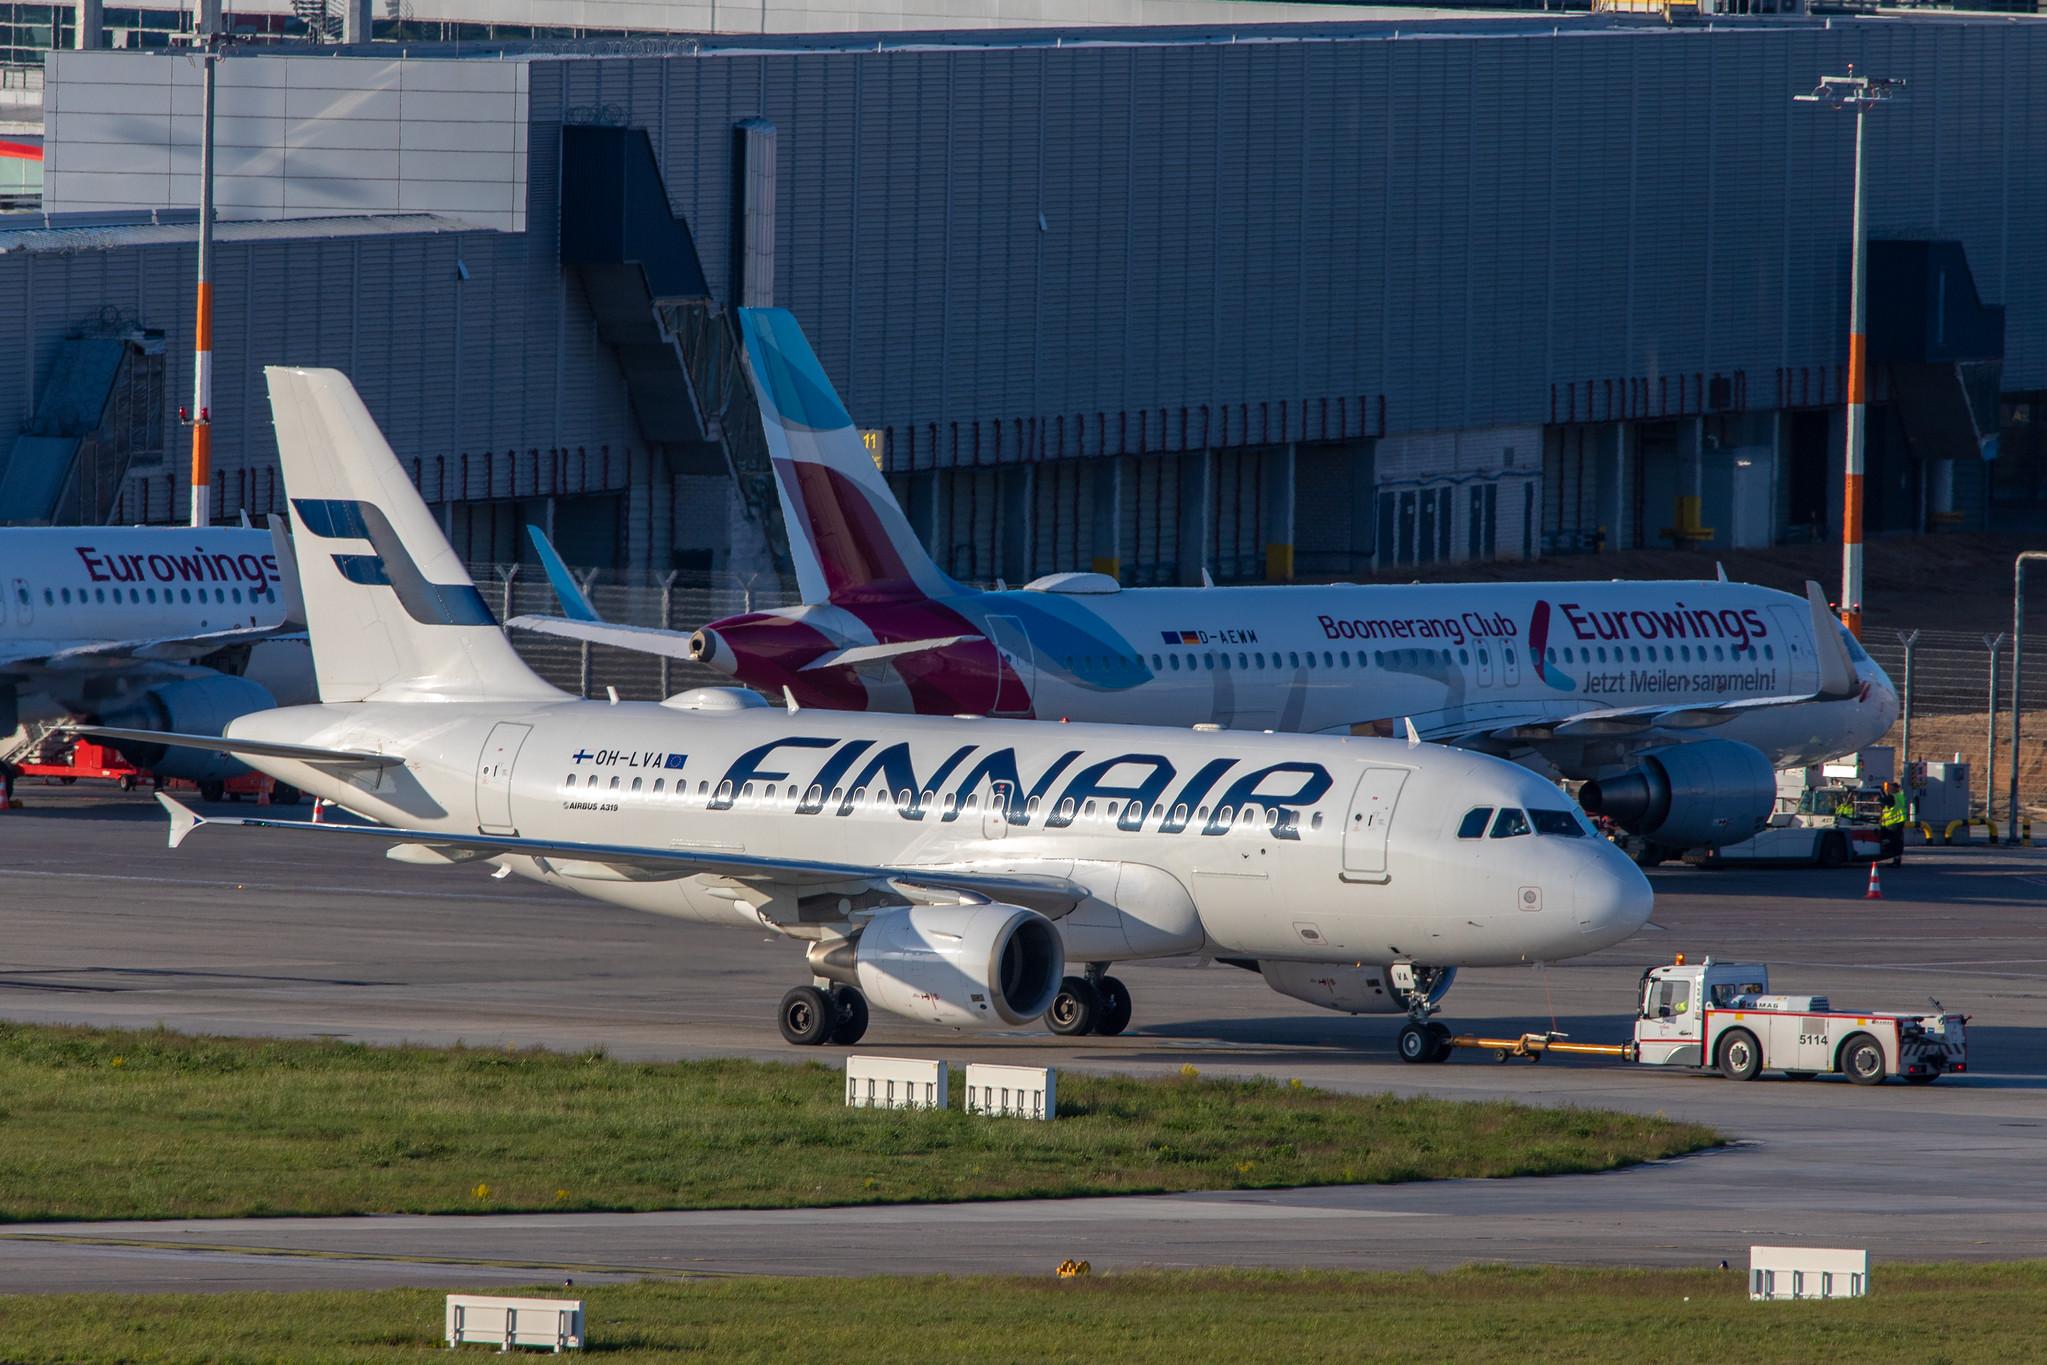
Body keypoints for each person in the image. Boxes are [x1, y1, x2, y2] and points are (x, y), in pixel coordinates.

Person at [1879, 779, 1909, 866]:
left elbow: (1882, 801)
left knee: (1893, 841)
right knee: (1897, 842)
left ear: (1895, 789)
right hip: (1898, 822)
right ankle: (1896, 860)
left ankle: (1895, 860)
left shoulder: (1893, 797)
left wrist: (1880, 794)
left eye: (1891, 788)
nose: (1889, 789)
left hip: (1893, 824)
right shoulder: (1900, 796)